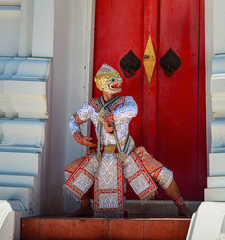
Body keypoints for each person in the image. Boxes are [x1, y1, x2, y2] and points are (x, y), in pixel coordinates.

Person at [63, 64, 192, 218]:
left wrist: (110, 116)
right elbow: (73, 120)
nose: (118, 82)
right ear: (101, 84)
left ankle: (181, 206)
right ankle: (85, 206)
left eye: (118, 79)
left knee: (163, 174)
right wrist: (79, 138)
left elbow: (132, 110)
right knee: (69, 172)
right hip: (101, 155)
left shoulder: (126, 101)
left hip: (126, 154)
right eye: (112, 80)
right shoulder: (91, 106)